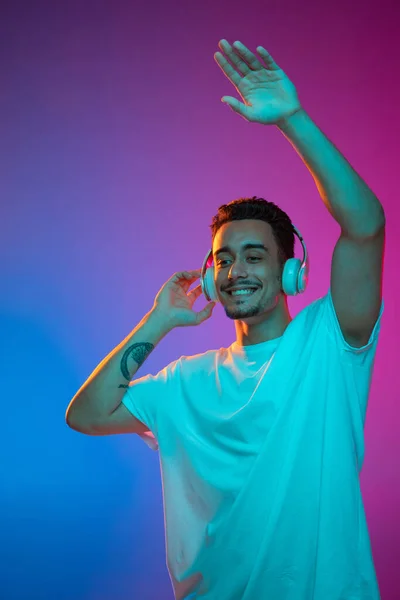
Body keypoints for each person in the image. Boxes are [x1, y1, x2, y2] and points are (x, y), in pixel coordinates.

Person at [66, 39, 386, 600]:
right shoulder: (186, 382)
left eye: (254, 256)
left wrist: (292, 120)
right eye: (223, 258)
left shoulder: (329, 343)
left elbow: (365, 224)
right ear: (211, 277)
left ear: (291, 273)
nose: (235, 269)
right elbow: (87, 416)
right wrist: (158, 321)